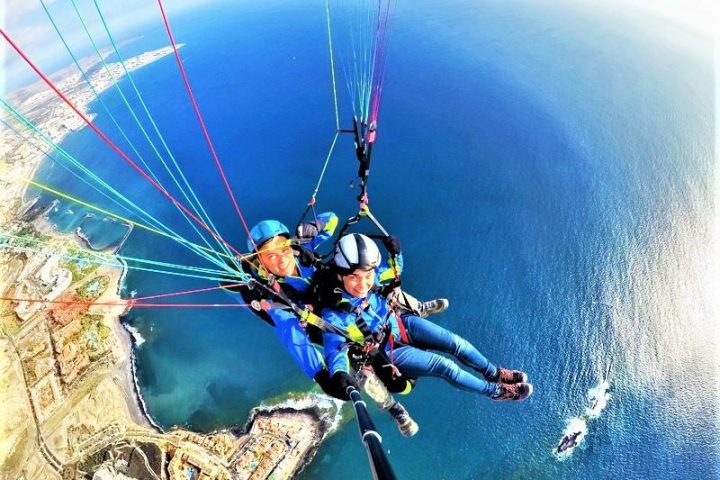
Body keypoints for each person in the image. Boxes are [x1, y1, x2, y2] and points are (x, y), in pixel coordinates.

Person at [221, 214, 444, 435]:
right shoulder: (275, 299)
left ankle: (418, 308)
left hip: (342, 302)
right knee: (364, 373)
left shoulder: (301, 252)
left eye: (283, 248)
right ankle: (394, 409)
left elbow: (331, 220)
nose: (281, 259)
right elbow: (294, 339)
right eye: (270, 255)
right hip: (331, 327)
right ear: (261, 262)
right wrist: (321, 376)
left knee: (374, 284)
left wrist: (309, 229)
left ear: (290, 245)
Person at [321, 233, 533, 402]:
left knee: (456, 343)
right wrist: (339, 373)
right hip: (389, 351)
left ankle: (494, 372)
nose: (363, 284)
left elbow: (395, 270)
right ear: (340, 275)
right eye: (354, 278)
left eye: (367, 276)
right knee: (445, 367)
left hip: (400, 324)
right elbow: (335, 349)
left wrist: (396, 253)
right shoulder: (334, 313)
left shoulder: (373, 278)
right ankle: (495, 391)